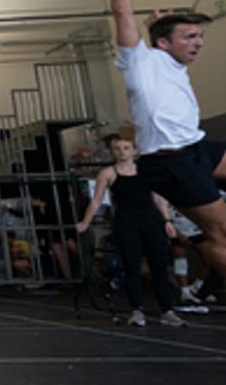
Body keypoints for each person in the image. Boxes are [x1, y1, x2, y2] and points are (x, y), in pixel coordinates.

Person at [106, 0, 226, 280]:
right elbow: (122, 14)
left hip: (198, 147)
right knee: (219, 233)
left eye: (200, 36)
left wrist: (156, 23)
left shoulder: (172, 62)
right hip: (170, 161)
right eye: (190, 37)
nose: (199, 43)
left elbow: (153, 30)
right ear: (162, 43)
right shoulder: (138, 63)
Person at [75, 134, 185, 327]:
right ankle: (136, 310)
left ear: (135, 150)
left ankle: (167, 310)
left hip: (151, 220)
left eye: (126, 148)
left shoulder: (146, 170)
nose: (122, 152)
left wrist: (167, 220)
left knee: (159, 265)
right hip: (126, 221)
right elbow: (97, 200)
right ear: (112, 151)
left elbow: (159, 197)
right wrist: (85, 222)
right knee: (131, 266)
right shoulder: (108, 173)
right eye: (117, 148)